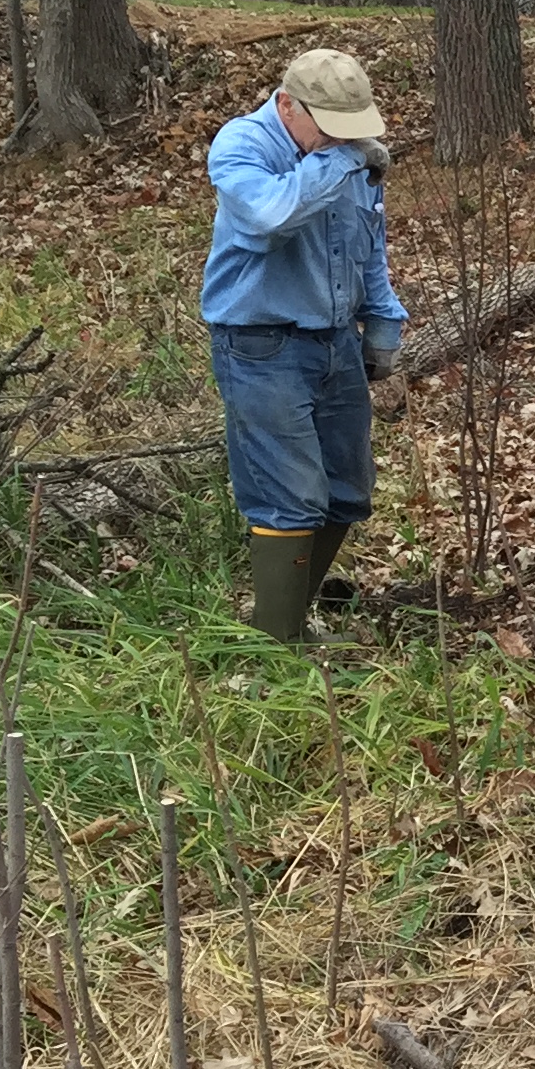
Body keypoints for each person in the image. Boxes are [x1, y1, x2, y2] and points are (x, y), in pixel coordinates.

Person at [201, 48, 407, 642]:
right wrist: (344, 160)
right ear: (288, 104)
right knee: (289, 498)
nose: (342, 142)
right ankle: (276, 650)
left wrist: (383, 323)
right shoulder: (241, 147)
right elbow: (269, 217)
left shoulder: (341, 160)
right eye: (330, 129)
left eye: (351, 131)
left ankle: (285, 616)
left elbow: (368, 244)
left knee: (347, 490)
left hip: (336, 343)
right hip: (261, 345)